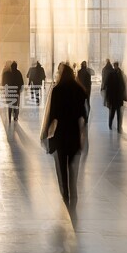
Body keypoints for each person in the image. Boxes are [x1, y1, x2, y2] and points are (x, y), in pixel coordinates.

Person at [41, 64, 87, 207]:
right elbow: (83, 114)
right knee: (73, 165)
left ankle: (65, 192)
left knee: (61, 165)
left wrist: (46, 131)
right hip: (74, 133)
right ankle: (73, 191)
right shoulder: (79, 90)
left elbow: (52, 114)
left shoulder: (57, 90)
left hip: (61, 134)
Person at [105, 61, 127, 132]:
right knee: (115, 113)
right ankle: (112, 124)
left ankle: (117, 127)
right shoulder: (117, 74)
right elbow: (123, 85)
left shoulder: (116, 74)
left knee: (117, 113)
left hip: (116, 97)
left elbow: (108, 86)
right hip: (116, 97)